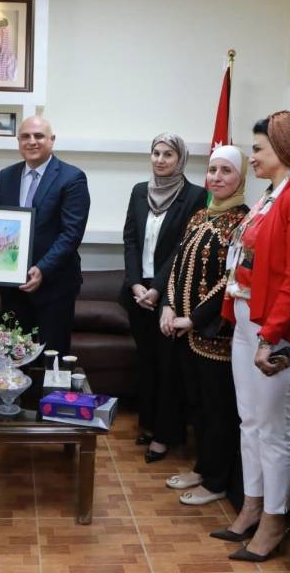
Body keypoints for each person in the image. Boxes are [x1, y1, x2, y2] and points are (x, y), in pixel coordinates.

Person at [216, 111, 290, 561]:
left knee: (273, 428)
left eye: (258, 149)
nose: (253, 156)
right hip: (249, 319)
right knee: (249, 420)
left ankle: (275, 519)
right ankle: (251, 505)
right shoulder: (269, 197)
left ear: (284, 151)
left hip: (276, 329)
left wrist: (272, 335)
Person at [159, 145, 249, 507]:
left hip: (216, 335)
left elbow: (231, 279)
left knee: (218, 410)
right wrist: (168, 305)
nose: (217, 178)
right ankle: (203, 467)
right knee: (197, 405)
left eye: (226, 171)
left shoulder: (243, 222)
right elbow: (177, 264)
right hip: (185, 331)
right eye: (212, 170)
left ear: (241, 177)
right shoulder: (200, 215)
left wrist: (194, 318)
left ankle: (216, 482)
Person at [119, 133, 206, 462]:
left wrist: (156, 288)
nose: (160, 159)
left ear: (180, 159)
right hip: (137, 292)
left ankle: (166, 435)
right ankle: (149, 424)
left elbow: (183, 248)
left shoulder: (195, 195)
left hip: (170, 294)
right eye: (156, 153)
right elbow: (130, 239)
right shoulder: (140, 191)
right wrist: (134, 284)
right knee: (146, 362)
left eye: (168, 154)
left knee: (168, 367)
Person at [0, 116, 90, 356]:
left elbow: (71, 233)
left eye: (39, 136)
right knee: (13, 357)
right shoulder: (6, 176)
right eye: (25, 136)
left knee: (51, 359)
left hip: (54, 286)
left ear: (52, 140)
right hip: (13, 288)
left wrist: (42, 269)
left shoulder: (72, 177)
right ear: (18, 141)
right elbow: (1, 225)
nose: (32, 141)